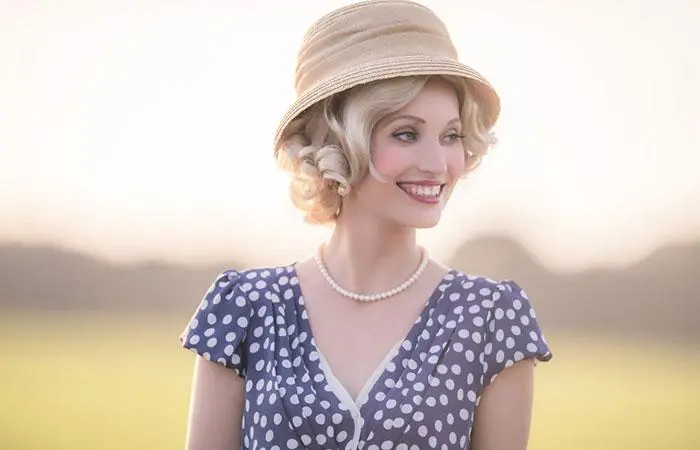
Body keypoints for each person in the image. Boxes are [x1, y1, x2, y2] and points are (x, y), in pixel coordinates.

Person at [179, 1, 553, 449]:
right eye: (406, 134)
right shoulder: (244, 309)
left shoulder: (492, 319)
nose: (438, 165)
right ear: (340, 141)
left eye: (451, 136)